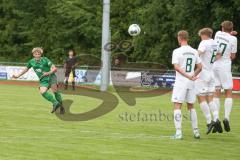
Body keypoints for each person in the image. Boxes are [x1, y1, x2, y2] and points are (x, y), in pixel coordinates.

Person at [12, 47, 65, 114]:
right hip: (43, 79)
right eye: (36, 54)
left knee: (55, 91)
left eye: (38, 54)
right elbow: (25, 69)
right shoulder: (31, 62)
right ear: (33, 54)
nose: (37, 55)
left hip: (51, 77)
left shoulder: (45, 59)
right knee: (42, 92)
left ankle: (62, 107)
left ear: (41, 54)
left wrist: (47, 73)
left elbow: (55, 69)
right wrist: (17, 75)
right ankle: (55, 103)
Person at [171, 30, 202, 140]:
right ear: (187, 38)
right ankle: (196, 132)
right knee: (191, 106)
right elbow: (200, 67)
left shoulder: (177, 51)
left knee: (177, 105)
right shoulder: (194, 51)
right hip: (191, 82)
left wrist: (188, 76)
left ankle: (178, 133)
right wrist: (193, 76)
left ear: (179, 38)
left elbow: (176, 67)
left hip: (181, 82)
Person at [196, 28, 222, 134]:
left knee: (201, 98)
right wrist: (211, 60)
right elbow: (219, 55)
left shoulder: (204, 42)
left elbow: (198, 53)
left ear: (204, 35)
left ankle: (209, 121)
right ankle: (216, 119)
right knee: (210, 99)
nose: (200, 37)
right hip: (211, 73)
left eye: (200, 35)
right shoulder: (216, 43)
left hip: (203, 73)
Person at [213, 21, 237, 132]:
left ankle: (216, 118)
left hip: (214, 65)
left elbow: (225, 35)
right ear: (231, 28)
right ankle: (226, 118)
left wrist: (231, 33)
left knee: (216, 92)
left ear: (222, 28)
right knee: (228, 92)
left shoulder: (217, 34)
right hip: (225, 66)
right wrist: (232, 34)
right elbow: (232, 56)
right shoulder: (234, 39)